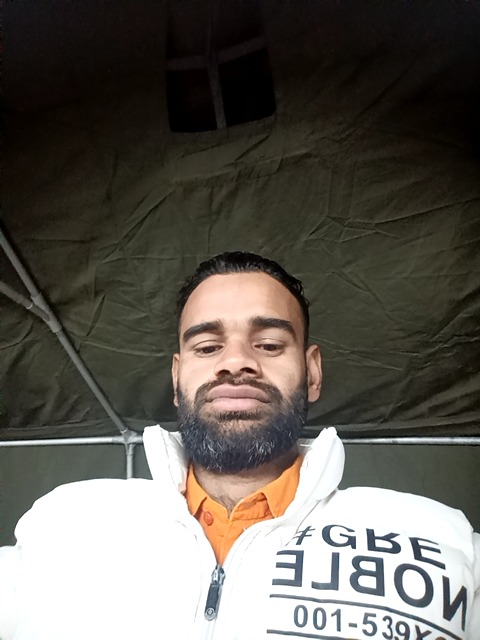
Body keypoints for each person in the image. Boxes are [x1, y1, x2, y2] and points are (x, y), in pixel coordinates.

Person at [0, 251, 479, 640]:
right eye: (207, 347)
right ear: (176, 377)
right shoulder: (60, 522)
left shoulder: (445, 544)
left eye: (268, 344)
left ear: (312, 372)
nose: (235, 362)